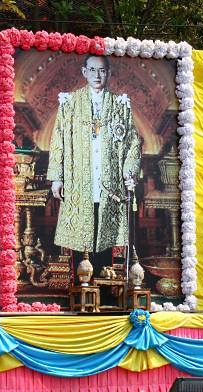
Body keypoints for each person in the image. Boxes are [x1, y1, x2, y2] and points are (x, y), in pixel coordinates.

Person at [47, 54, 141, 273]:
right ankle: (80, 282)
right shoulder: (70, 103)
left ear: (108, 73)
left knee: (105, 233)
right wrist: (57, 178)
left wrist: (129, 173)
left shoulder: (120, 104)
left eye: (102, 70)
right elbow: (58, 140)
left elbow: (133, 142)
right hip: (79, 180)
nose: (97, 75)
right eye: (92, 70)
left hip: (109, 182)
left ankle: (104, 281)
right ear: (84, 72)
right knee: (81, 233)